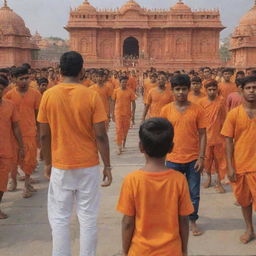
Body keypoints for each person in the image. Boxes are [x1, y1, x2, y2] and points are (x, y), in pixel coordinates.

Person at [37, 51, 112, 256]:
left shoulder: (49, 95)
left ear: (60, 71)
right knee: (87, 217)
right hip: (88, 164)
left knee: (60, 217)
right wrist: (107, 165)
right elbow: (101, 135)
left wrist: (47, 163)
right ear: (82, 71)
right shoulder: (91, 95)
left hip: (61, 164)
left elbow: (44, 135)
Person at [117, 118, 194, 256]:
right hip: (171, 250)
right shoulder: (179, 180)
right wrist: (184, 249)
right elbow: (183, 219)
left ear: (141, 147)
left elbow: (128, 222)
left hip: (140, 250)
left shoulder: (132, 180)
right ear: (171, 147)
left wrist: (124, 251)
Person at [160, 74, 207, 236]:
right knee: (172, 193)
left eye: (184, 89)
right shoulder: (165, 110)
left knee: (194, 193)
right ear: (172, 90)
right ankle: (174, 221)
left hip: (193, 158)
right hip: (172, 158)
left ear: (189, 90)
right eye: (177, 89)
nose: (181, 92)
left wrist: (201, 157)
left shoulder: (197, 109)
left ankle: (192, 221)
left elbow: (202, 134)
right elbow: (162, 136)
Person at [221, 75, 256, 244]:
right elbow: (228, 140)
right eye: (248, 88)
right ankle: (249, 228)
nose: (252, 91)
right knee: (244, 201)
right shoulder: (234, 115)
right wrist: (229, 167)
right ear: (241, 91)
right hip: (241, 163)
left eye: (254, 88)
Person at [4, 67, 41, 198]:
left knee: (29, 159)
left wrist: (39, 132)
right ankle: (13, 180)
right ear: (14, 80)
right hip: (13, 134)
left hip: (30, 132)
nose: (25, 81)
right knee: (14, 159)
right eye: (21, 79)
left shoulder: (35, 94)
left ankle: (26, 184)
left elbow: (38, 115)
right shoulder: (8, 95)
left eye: (27, 78)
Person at [0, 76, 24, 219]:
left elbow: (16, 127)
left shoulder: (10, 105)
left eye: (0, 89)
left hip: (5, 149)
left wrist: (21, 146)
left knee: (2, 182)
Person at [198, 80, 226, 192]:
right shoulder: (201, 102)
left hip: (219, 135)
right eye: (209, 90)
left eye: (214, 89)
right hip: (205, 135)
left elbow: (225, 117)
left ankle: (219, 181)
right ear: (206, 90)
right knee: (207, 158)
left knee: (220, 160)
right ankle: (208, 177)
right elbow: (199, 119)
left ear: (217, 90)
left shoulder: (221, 101)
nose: (212, 92)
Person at [112, 76, 136, 155]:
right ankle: (119, 147)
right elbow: (113, 102)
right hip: (118, 113)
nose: (124, 83)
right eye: (123, 82)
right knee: (119, 130)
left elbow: (133, 103)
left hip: (127, 114)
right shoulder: (116, 91)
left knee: (125, 130)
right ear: (120, 82)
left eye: (125, 82)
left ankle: (123, 143)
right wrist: (112, 113)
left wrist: (133, 114)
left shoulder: (130, 91)